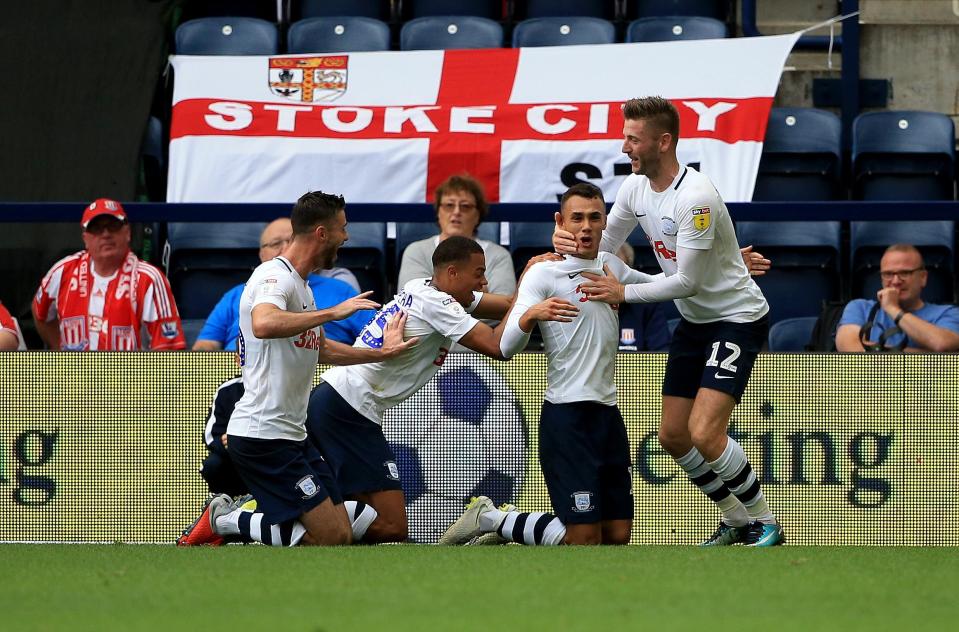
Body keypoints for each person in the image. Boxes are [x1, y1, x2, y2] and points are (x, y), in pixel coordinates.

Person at [553, 96, 783, 547]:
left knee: (704, 431)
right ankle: (736, 520)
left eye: (633, 139)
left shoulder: (695, 198)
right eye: (625, 137)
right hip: (695, 323)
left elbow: (687, 284)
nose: (625, 147)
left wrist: (621, 291)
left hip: (735, 318)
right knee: (675, 436)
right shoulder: (635, 190)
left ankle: (766, 522)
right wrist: (560, 246)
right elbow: (602, 250)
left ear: (664, 141)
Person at [177, 191, 418, 547]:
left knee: (340, 535)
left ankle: (242, 519)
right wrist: (333, 313)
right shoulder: (274, 276)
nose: (347, 237)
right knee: (331, 538)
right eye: (342, 228)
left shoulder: (301, 286)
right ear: (321, 233)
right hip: (263, 434)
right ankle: (226, 520)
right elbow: (264, 322)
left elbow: (319, 348)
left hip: (292, 434)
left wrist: (379, 354)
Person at [305, 236, 578, 544]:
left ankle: (296, 515)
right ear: (452, 273)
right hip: (346, 409)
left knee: (360, 517)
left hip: (336, 401)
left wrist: (529, 275)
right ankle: (268, 518)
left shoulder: (425, 287)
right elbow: (497, 346)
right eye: (478, 273)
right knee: (392, 526)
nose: (485, 281)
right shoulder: (438, 304)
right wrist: (528, 317)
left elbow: (506, 305)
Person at [441, 183, 656, 547]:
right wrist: (530, 317)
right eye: (577, 218)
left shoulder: (612, 267)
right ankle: (493, 518)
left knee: (618, 536)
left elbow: (666, 284)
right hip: (566, 419)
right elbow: (506, 347)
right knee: (583, 539)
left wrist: (725, 268)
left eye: (594, 217)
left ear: (606, 223)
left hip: (608, 416)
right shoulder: (544, 274)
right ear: (561, 222)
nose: (586, 226)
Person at [193, 218, 372, 350]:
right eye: (276, 243)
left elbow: (378, 339)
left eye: (293, 241)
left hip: (323, 379)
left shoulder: (341, 291)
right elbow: (205, 345)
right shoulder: (236, 294)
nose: (286, 248)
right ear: (261, 254)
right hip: (242, 379)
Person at [32, 198, 185, 351]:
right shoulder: (63, 270)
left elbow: (169, 349)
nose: (106, 234)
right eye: (97, 229)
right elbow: (40, 311)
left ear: (127, 233)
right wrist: (57, 347)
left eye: (113, 226)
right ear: (86, 239)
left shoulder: (149, 279)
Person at [398, 173, 515, 296]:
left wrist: (439, 292)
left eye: (465, 206)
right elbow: (412, 298)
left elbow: (503, 305)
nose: (456, 212)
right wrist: (476, 294)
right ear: (438, 212)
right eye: (449, 205)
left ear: (478, 215)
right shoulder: (416, 251)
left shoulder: (499, 256)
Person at [836, 244, 959, 353]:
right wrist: (925, 352)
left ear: (923, 277)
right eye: (888, 274)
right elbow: (850, 349)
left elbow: (943, 345)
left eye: (905, 273)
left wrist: (892, 308)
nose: (895, 281)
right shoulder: (860, 307)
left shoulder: (948, 312)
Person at [615, 242, 671, 351]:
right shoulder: (576, 306)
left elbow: (661, 354)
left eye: (618, 271)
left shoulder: (647, 305)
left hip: (633, 368)